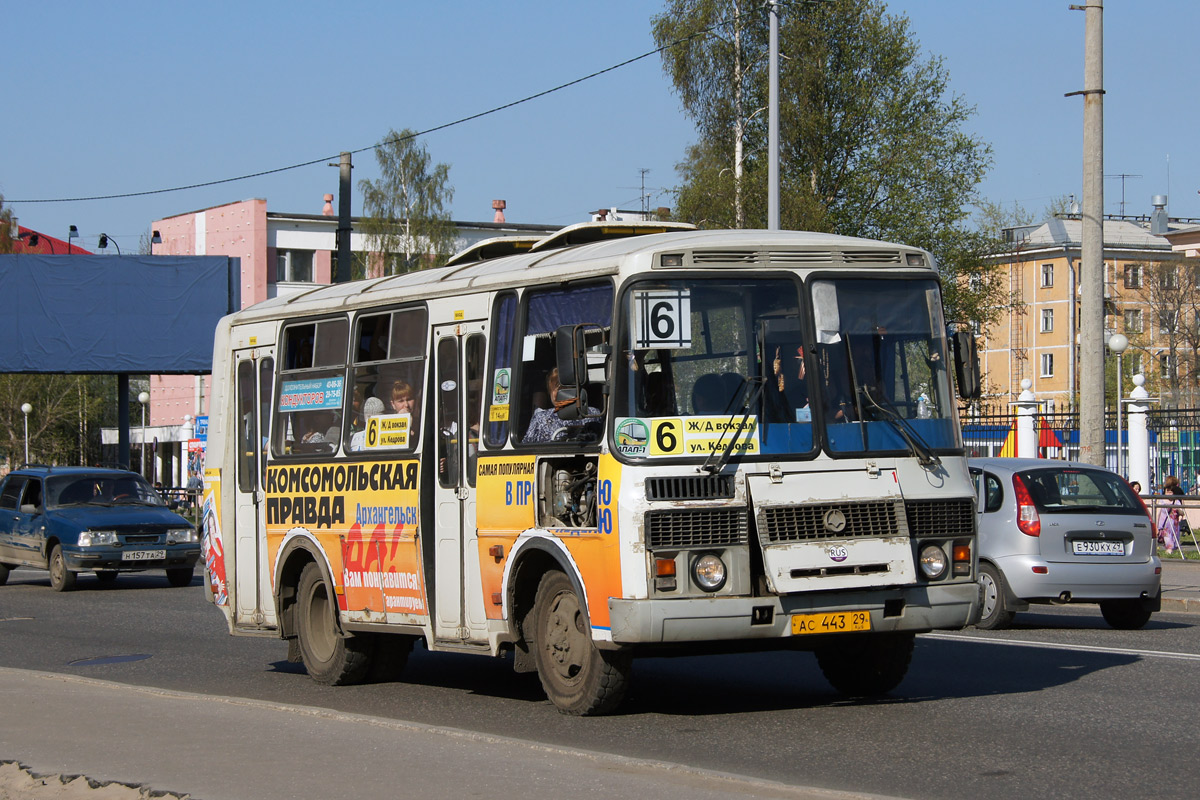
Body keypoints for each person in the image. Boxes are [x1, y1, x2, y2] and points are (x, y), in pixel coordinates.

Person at [523, 367, 600, 443]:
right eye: (553, 389)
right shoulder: (540, 418)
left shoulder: (592, 414)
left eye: (561, 388)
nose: (555, 394)